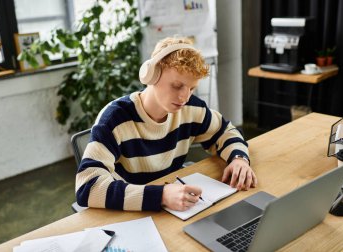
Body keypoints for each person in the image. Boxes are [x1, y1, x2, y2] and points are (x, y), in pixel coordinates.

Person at [75, 37, 257, 212]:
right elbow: (87, 188)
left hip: (175, 204)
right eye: (177, 86)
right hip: (132, 210)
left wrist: (239, 159)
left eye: (191, 88)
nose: (184, 97)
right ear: (151, 76)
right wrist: (160, 196)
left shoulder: (190, 108)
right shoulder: (114, 119)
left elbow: (225, 131)